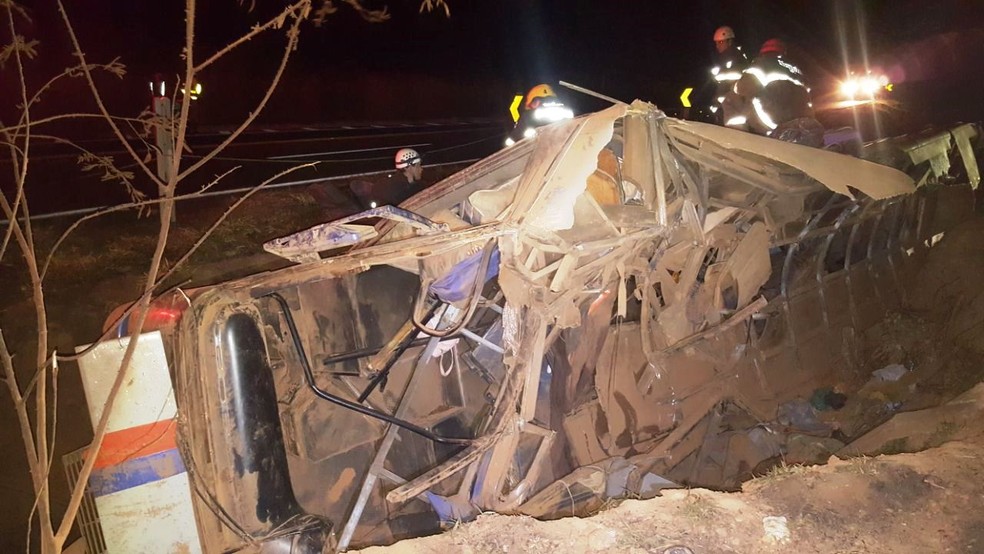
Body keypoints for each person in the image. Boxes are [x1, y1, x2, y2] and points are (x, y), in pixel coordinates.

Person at [722, 38, 823, 147]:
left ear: (763, 52)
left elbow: (742, 88)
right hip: (805, 124)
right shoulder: (797, 70)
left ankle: (736, 138)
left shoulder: (762, 63)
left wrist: (734, 85)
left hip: (773, 125)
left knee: (730, 97)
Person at [708, 26, 748, 121]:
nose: (718, 45)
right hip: (725, 104)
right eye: (716, 43)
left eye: (721, 42)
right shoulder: (724, 58)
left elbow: (735, 77)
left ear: (730, 41)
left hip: (732, 103)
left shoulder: (736, 56)